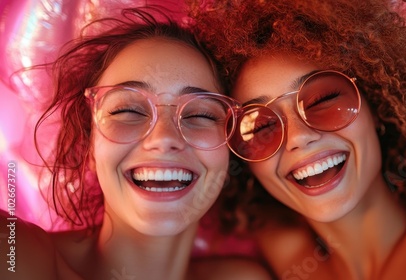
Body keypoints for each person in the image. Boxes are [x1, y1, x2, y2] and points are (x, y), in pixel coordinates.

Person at [188, 0, 406, 279]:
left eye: (324, 99)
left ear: (376, 105)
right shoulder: (282, 251)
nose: (299, 137)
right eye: (259, 127)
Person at [0, 6, 272, 280]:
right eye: (127, 111)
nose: (164, 138)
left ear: (229, 149)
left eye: (200, 114)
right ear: (89, 146)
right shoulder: (18, 252)